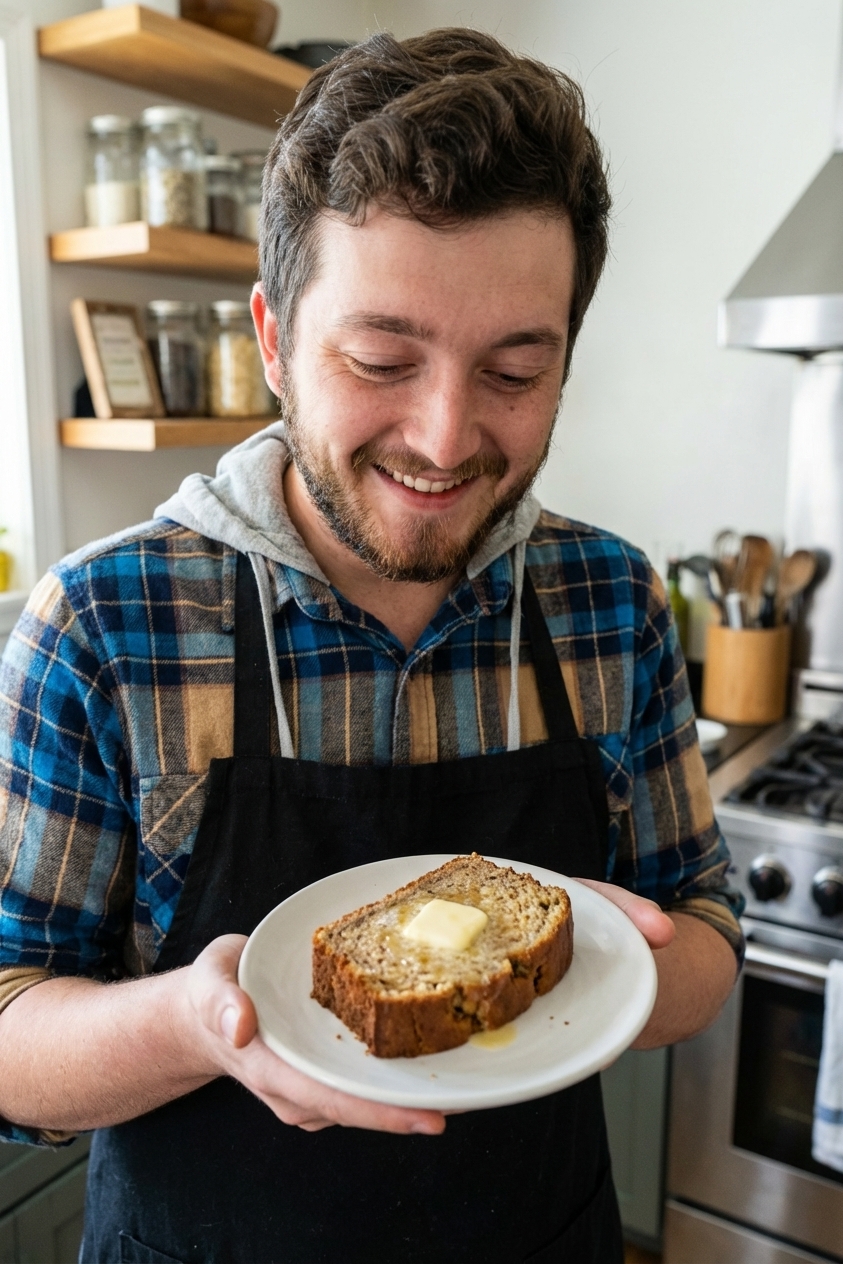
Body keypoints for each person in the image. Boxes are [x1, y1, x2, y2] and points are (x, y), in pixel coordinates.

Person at [0, 28, 742, 1264]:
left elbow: (707, 927)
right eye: (382, 359)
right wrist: (200, 1024)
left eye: (516, 367)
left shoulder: (611, 599)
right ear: (277, 342)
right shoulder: (105, 623)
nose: (446, 439)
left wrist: (596, 968)